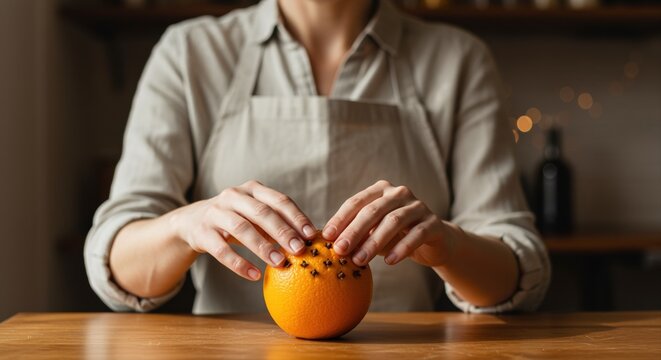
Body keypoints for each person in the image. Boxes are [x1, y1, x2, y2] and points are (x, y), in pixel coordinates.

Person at [85, 0, 550, 314]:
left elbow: (516, 266)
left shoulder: (458, 60)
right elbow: (118, 263)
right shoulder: (189, 53)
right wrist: (186, 224)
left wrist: (450, 244)